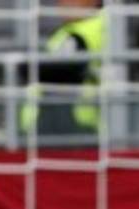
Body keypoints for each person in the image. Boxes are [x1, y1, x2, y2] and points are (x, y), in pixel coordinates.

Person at [20, 0, 106, 138]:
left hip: (73, 124)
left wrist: (27, 66)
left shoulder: (85, 31)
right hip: (64, 122)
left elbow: (62, 70)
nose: (64, 2)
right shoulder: (74, 29)